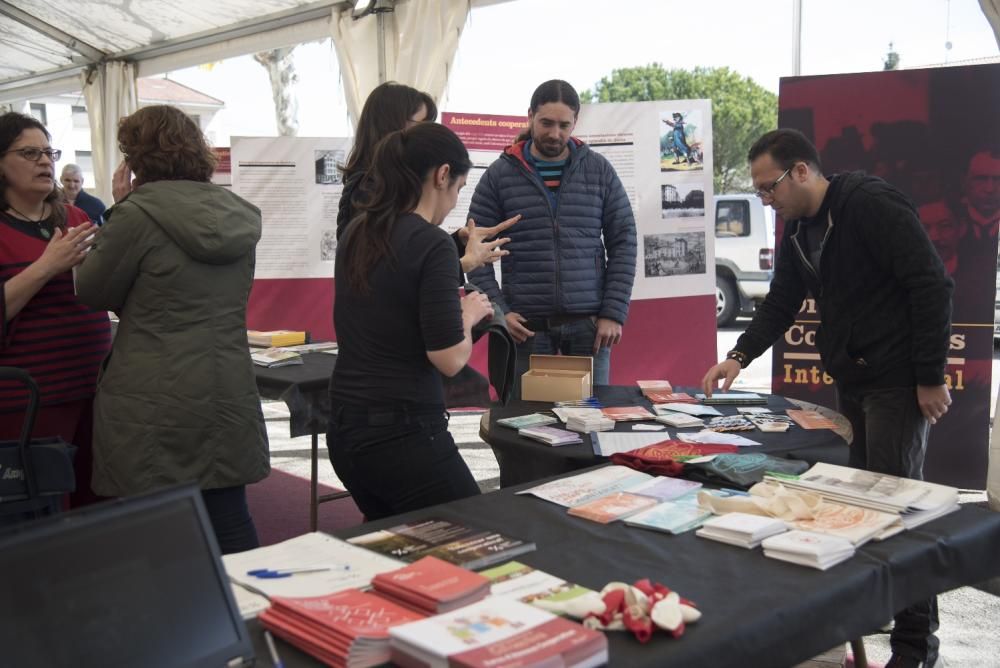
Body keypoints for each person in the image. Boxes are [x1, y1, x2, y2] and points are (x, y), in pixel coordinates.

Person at [701, 129, 953, 668]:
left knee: (896, 511)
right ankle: (866, 625)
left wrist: (930, 376)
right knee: (860, 511)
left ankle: (914, 647)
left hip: (898, 382)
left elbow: (931, 284)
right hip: (857, 383)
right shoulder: (797, 230)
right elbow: (782, 301)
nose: (766, 201)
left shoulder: (869, 204)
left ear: (801, 171)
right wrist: (739, 356)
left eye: (769, 189)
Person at [75, 105, 268, 554]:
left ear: (136, 158)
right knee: (229, 513)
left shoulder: (135, 215)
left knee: (156, 522)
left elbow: (94, 290)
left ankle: (175, 617)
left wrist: (119, 209)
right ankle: (248, 616)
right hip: (226, 380)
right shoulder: (239, 214)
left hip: (152, 388)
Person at [327, 122, 494, 521]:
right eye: (458, 187)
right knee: (477, 538)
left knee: (395, 549)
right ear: (441, 175)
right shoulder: (431, 242)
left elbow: (394, 303)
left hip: (346, 430)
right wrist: (469, 315)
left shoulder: (357, 231)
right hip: (403, 435)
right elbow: (449, 359)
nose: (455, 201)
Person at [466, 80, 637, 391]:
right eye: (546, 123)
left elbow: (624, 241)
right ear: (530, 116)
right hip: (526, 330)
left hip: (590, 328)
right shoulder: (499, 176)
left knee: (589, 420)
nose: (554, 134)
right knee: (528, 427)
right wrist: (499, 311)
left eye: (563, 125)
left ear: (575, 122)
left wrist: (614, 312)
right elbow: (475, 251)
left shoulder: (599, 171)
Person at [0, 112, 110, 508]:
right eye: (30, 153)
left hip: (95, 391)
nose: (45, 162)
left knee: (97, 507)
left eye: (48, 152)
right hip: (28, 404)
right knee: (41, 515)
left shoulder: (76, 218)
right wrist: (47, 265)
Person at [338, 81, 518, 275]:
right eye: (423, 125)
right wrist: (464, 264)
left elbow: (406, 252)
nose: (429, 134)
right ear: (394, 127)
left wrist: (456, 242)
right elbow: (388, 274)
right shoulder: (370, 189)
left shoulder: (382, 185)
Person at [959, 148, 1000, 244]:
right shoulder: (951, 217)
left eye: (998, 179)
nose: (990, 189)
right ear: (964, 182)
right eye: (981, 179)